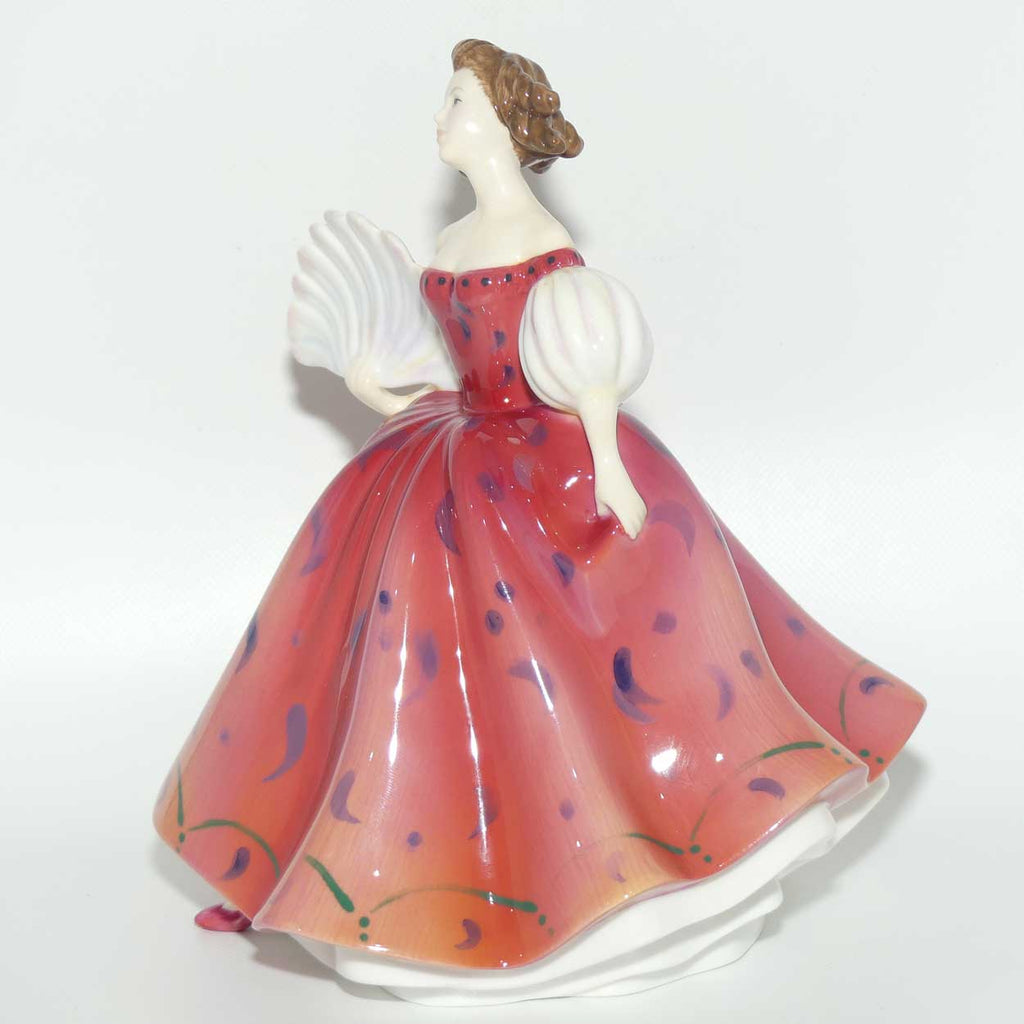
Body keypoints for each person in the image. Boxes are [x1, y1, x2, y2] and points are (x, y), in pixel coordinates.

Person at [153, 38, 925, 1004]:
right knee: (374, 640)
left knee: (568, 671)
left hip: (535, 461)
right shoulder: (452, 242)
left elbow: (581, 355)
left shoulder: (539, 237)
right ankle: (356, 863)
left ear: (504, 123)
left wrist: (610, 466)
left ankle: (600, 867)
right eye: (447, 100)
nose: (442, 118)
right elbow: (455, 369)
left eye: (459, 101)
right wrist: (372, 385)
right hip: (450, 446)